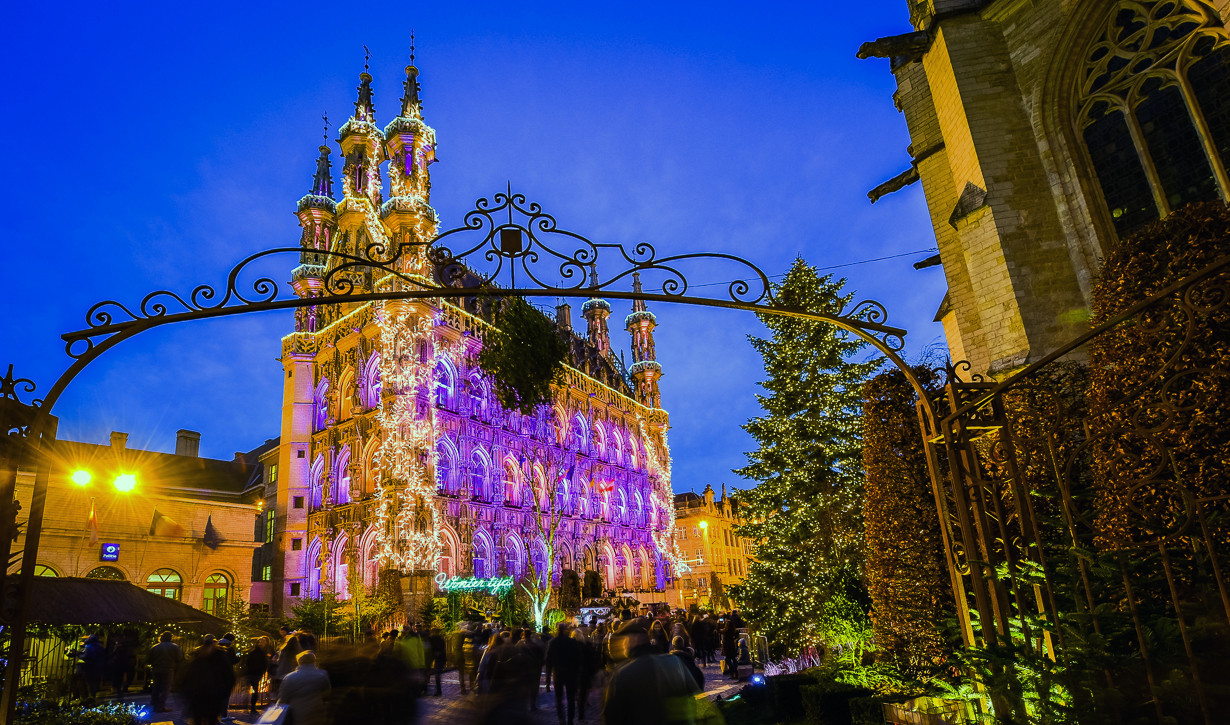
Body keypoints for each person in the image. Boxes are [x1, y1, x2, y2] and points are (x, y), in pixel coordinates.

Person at [601, 620, 701, 725]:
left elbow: (612, 716)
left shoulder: (623, 674)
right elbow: (697, 682)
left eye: (624, 640)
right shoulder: (671, 661)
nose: (622, 646)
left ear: (633, 640)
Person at [181, 634, 236, 725]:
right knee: (208, 719)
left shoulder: (198, 655)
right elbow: (229, 676)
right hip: (209, 695)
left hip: (203, 696)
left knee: (202, 719)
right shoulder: (219, 656)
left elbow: (187, 676)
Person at [277, 650, 332, 725]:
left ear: (299, 662)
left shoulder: (290, 677)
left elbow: (283, 697)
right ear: (314, 661)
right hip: (317, 711)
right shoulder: (322, 674)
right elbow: (327, 692)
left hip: (297, 712)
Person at [545, 622, 583, 725]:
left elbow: (549, 660)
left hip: (558, 672)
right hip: (571, 673)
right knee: (571, 698)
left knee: (559, 697)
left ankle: (561, 718)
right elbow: (578, 658)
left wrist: (548, 675)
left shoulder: (553, 642)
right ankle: (570, 720)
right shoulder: (572, 642)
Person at [147, 631, 183, 713]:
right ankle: (161, 705)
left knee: (156, 687)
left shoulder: (154, 647)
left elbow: (149, 659)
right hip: (168, 669)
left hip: (156, 669)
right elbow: (179, 658)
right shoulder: (175, 647)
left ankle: (154, 703)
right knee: (165, 688)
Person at [242, 636, 272, 715]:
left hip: (255, 673)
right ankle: (251, 707)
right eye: (260, 641)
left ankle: (250, 707)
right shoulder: (257, 652)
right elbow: (249, 662)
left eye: (263, 641)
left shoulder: (262, 652)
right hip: (253, 673)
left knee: (254, 690)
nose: (261, 643)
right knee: (254, 690)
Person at [272, 626, 301, 695]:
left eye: (283, 632)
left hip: (287, 663)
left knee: (285, 678)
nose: (282, 633)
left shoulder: (292, 639)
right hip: (282, 663)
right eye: (281, 632)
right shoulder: (283, 640)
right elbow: (279, 649)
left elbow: (297, 650)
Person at [427, 627, 447, 696]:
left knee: (437, 675)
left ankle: (438, 691)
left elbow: (442, 649)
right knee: (436, 674)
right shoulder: (439, 639)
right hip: (439, 658)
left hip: (439, 658)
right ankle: (438, 690)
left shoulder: (435, 639)